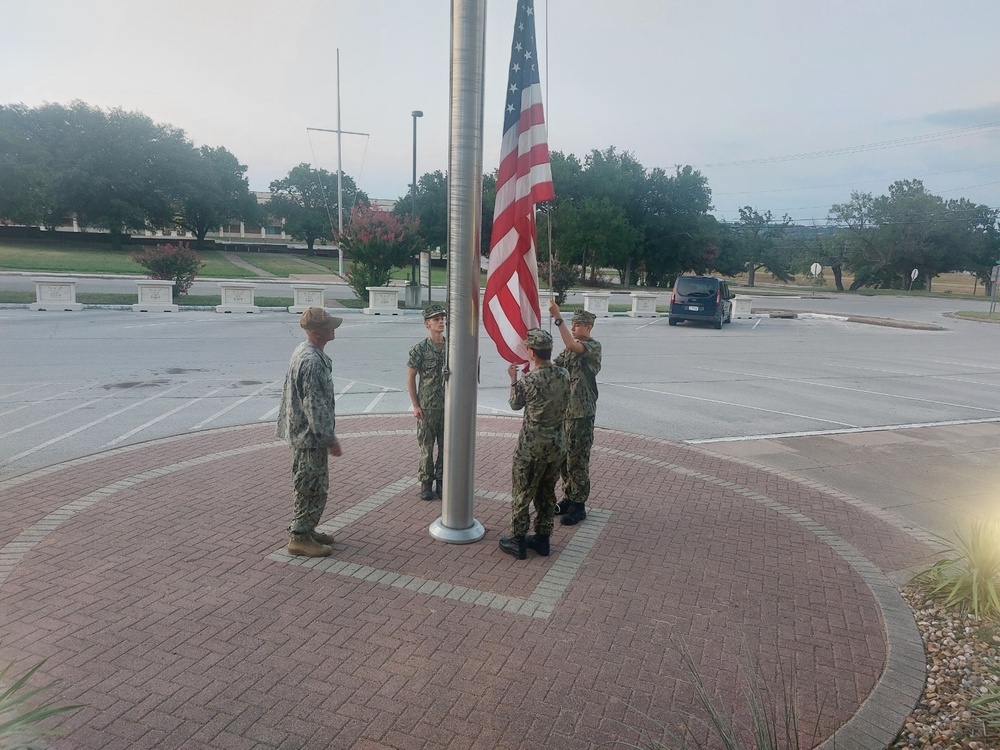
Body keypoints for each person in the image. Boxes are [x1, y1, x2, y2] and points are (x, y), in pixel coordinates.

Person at [276, 306, 343, 557]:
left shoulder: (306, 351)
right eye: (329, 326)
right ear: (317, 332)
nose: (333, 329)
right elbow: (314, 405)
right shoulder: (312, 361)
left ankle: (307, 528)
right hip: (309, 438)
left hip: (304, 434)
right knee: (311, 486)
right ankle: (300, 537)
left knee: (310, 482)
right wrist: (329, 439)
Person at [499, 328, 570, 560]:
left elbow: (514, 404)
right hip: (557, 445)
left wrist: (513, 380)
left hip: (531, 448)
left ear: (531, 351)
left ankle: (517, 540)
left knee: (522, 492)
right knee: (547, 492)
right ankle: (543, 538)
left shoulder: (528, 381)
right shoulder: (564, 375)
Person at [548, 300, 602, 526]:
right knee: (564, 460)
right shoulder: (570, 348)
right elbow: (556, 364)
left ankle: (579, 505)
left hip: (582, 414)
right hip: (566, 412)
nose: (574, 327)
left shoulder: (592, 347)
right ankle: (569, 498)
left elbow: (572, 346)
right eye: (573, 324)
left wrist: (557, 318)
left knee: (578, 460)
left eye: (578, 324)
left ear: (589, 327)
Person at [407, 303, 447, 500]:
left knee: (446, 448)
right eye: (436, 319)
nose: (441, 322)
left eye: (442, 319)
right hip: (427, 407)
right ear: (427, 324)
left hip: (447, 407)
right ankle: (426, 483)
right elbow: (411, 378)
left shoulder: (451, 348)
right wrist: (415, 405)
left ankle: (441, 482)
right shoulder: (420, 349)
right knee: (427, 448)